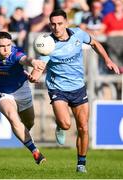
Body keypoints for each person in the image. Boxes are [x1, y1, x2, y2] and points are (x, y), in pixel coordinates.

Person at [26, 9, 120, 173]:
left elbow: (95, 43)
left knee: (83, 127)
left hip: (78, 87)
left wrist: (107, 60)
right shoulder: (48, 43)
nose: (56, 27)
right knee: (66, 124)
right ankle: (60, 126)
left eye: (60, 23)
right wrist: (34, 76)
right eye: (53, 24)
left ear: (66, 23)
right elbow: (40, 66)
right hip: (58, 88)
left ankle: (81, 164)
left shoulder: (78, 34)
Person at [0, 31, 46, 165]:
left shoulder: (15, 54)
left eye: (8, 45)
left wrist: (34, 62)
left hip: (22, 90)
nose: (6, 49)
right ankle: (35, 152)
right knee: (12, 117)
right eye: (2, 46)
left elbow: (25, 59)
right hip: (1, 92)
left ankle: (23, 134)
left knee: (29, 122)